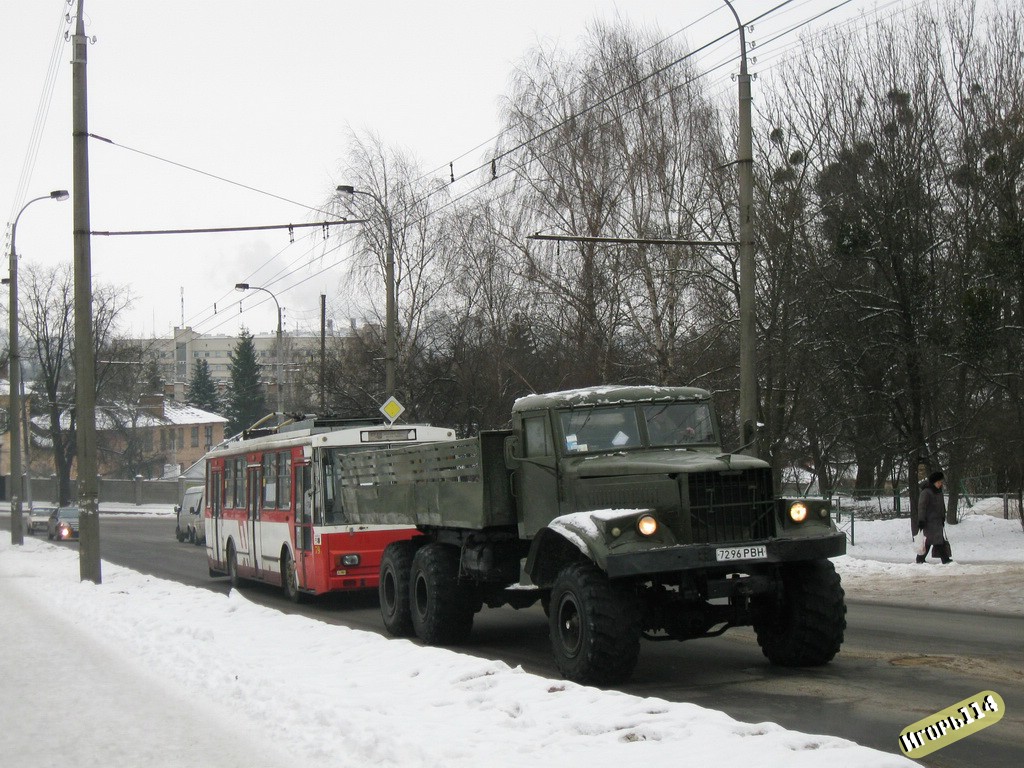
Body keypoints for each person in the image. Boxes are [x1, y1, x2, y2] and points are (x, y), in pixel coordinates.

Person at [916, 470, 951, 564]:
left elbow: (942, 506)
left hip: (937, 522)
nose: (941, 484)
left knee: (936, 541)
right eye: (939, 482)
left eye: (941, 482)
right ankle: (944, 559)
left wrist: (943, 517)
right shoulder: (926, 492)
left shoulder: (938, 492)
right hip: (929, 522)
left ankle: (921, 559)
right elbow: (921, 507)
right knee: (932, 541)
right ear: (934, 482)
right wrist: (921, 520)